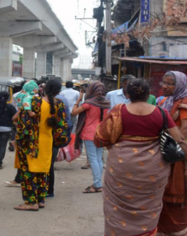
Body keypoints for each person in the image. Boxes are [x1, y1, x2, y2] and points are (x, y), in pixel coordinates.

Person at [95, 79, 186, 236]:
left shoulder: (118, 110)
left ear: (128, 94)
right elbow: (179, 139)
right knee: (149, 205)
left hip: (121, 166)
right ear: (148, 94)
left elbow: (99, 138)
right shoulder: (161, 112)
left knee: (116, 206)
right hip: (154, 168)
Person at [14, 79, 68, 211]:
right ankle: (41, 199)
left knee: (29, 172)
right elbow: (61, 125)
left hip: (32, 141)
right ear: (58, 91)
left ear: (44, 88)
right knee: (43, 171)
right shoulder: (59, 104)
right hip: (47, 140)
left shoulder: (34, 102)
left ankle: (31, 202)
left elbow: (22, 122)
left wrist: (18, 140)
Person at [157, 71, 187, 236]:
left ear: (180, 85)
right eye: (164, 83)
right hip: (166, 151)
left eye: (170, 83)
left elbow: (184, 132)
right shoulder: (166, 101)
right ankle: (164, 228)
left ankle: (177, 228)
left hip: (178, 155)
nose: (166, 86)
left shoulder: (184, 101)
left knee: (176, 190)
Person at [71, 81, 110, 193]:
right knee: (98, 158)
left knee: (93, 159)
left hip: (89, 133)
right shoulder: (107, 102)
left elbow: (74, 112)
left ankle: (97, 184)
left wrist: (79, 99)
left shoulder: (89, 103)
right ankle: (98, 183)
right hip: (101, 133)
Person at [47, 92, 73, 198]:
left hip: (45, 138)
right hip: (57, 137)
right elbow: (67, 120)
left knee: (45, 165)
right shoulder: (62, 102)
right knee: (50, 165)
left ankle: (42, 189)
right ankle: (50, 191)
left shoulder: (41, 103)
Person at [0, 91, 17, 170]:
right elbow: (15, 116)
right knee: (2, 145)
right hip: (6, 129)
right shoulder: (10, 107)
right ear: (8, 98)